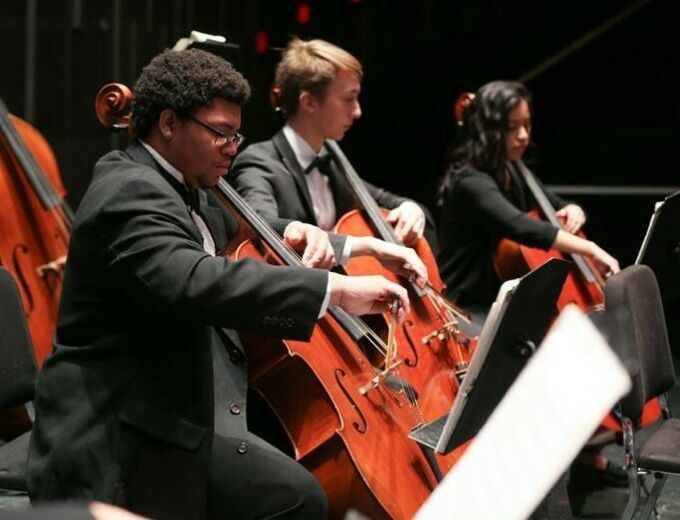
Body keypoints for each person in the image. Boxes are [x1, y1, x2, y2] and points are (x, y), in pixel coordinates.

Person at [26, 48, 411, 520]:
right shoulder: (127, 192)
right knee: (297, 497)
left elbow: (259, 231)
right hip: (117, 434)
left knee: (298, 491)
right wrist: (335, 291)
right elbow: (197, 278)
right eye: (221, 134)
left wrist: (343, 244)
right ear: (169, 124)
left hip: (178, 413)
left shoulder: (188, 187)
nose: (233, 147)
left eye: (237, 133)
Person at [230, 37, 434, 265]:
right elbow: (263, 227)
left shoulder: (332, 160)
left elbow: (385, 199)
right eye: (349, 98)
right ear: (308, 102)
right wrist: (366, 246)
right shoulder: (258, 163)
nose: (357, 111)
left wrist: (410, 208)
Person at [437, 80, 619, 318]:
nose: (523, 136)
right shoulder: (469, 181)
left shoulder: (511, 167)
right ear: (490, 130)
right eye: (512, 127)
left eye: (527, 124)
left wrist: (573, 209)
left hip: (503, 304)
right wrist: (590, 248)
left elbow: (554, 202)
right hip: (467, 308)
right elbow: (521, 226)